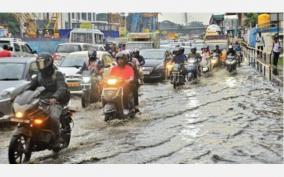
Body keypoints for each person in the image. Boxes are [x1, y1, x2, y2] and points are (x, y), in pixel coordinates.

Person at [27, 53, 70, 148]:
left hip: (56, 101)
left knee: (53, 117)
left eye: (42, 63)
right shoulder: (38, 76)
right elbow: (31, 87)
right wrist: (20, 94)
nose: (40, 66)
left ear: (49, 63)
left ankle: (56, 139)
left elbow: (61, 88)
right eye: (38, 63)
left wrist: (55, 97)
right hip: (42, 100)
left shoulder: (57, 74)